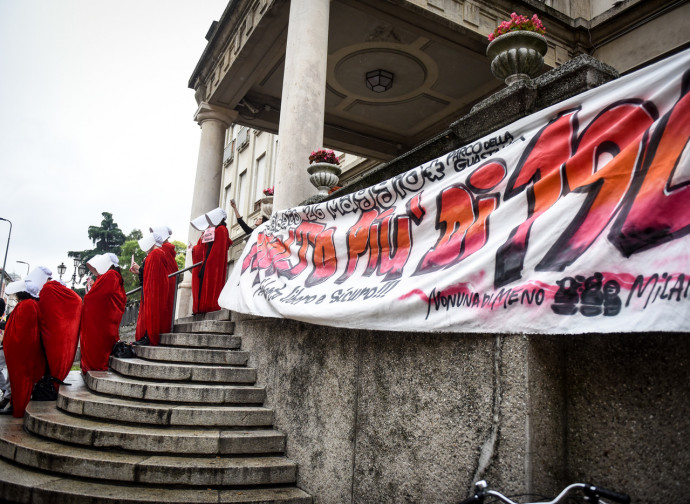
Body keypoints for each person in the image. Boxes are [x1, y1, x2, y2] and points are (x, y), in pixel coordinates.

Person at [2, 267, 51, 417]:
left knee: (20, 380)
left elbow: (22, 331)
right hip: (24, 350)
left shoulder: (27, 306)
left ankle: (17, 407)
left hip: (21, 351)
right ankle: (14, 404)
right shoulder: (31, 305)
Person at [131, 227, 178, 346]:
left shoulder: (156, 253)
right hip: (152, 288)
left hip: (153, 289)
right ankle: (147, 335)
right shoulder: (157, 253)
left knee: (152, 313)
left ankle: (149, 336)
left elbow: (152, 274)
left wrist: (140, 269)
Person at [80, 254, 127, 373]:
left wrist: (90, 294)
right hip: (105, 315)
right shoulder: (111, 276)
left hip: (103, 316)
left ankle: (95, 364)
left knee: (97, 341)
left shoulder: (111, 275)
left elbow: (98, 295)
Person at [38, 274, 83, 387]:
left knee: (46, 359)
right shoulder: (70, 297)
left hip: (46, 334)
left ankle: (46, 382)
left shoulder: (47, 290)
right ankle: (52, 381)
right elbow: (78, 300)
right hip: (62, 337)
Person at [190, 207, 232, 313]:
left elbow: (217, 251)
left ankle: (208, 306)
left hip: (212, 263)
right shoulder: (217, 230)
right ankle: (203, 306)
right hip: (208, 261)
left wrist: (207, 262)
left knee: (210, 287)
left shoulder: (221, 229)